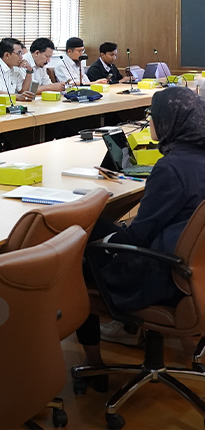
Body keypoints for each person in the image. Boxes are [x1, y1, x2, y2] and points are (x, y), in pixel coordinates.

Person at [77, 87, 205, 363]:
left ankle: (94, 362)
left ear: (170, 120)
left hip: (163, 275)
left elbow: (138, 236)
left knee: (77, 243)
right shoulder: (196, 158)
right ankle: (125, 331)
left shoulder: (171, 168)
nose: (149, 120)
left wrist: (107, 241)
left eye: (152, 114)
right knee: (95, 226)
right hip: (194, 270)